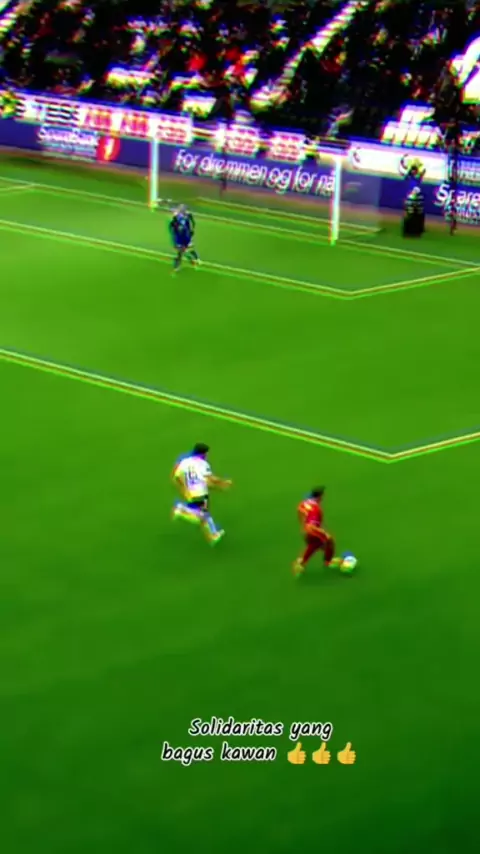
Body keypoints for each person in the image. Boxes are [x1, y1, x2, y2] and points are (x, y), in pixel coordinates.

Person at [172, 443, 231, 545]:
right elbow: (210, 479)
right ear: (202, 454)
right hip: (201, 492)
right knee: (202, 516)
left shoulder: (185, 462)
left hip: (191, 492)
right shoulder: (203, 464)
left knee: (205, 514)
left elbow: (176, 477)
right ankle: (182, 510)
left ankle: (214, 534)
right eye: (206, 453)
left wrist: (184, 489)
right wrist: (223, 483)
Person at [293, 487, 342, 576]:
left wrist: (302, 526)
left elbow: (299, 510)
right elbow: (312, 525)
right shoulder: (316, 509)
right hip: (312, 530)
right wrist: (323, 533)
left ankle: (300, 563)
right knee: (330, 540)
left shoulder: (304, 503)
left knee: (314, 545)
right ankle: (328, 562)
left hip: (306, 529)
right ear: (319, 497)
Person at [169, 205, 200, 272]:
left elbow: (190, 225)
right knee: (181, 252)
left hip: (185, 237)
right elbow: (173, 230)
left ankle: (193, 260)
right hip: (180, 239)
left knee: (185, 251)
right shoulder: (176, 221)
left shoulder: (185, 218)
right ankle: (178, 265)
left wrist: (191, 232)